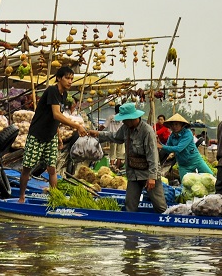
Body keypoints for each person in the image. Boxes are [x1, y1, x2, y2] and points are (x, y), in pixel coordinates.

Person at [18, 66, 88, 203]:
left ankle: (54, 198)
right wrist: (77, 126)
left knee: (52, 168)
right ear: (58, 78)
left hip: (50, 136)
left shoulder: (64, 95)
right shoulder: (52, 91)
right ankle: (21, 197)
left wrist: (58, 136)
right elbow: (56, 114)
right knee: (27, 168)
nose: (70, 81)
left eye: (72, 79)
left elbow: (54, 117)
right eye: (67, 78)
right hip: (37, 135)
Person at [88, 103, 167, 213]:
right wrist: (97, 134)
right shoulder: (125, 128)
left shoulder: (147, 131)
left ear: (132, 118)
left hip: (148, 173)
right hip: (133, 173)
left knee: (160, 206)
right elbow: (115, 136)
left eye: (124, 119)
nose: (123, 122)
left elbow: (153, 156)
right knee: (130, 205)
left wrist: (152, 177)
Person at [158, 113, 213, 182]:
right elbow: (168, 148)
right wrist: (159, 145)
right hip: (183, 165)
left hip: (195, 161)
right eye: (172, 124)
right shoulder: (172, 136)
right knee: (185, 185)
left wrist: (162, 146)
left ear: (182, 125)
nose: (174, 126)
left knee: (211, 178)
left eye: (176, 124)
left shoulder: (188, 133)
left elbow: (179, 149)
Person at [101, 104, 124, 169]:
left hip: (112, 138)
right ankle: (117, 168)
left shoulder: (111, 117)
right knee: (120, 155)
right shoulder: (123, 118)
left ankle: (111, 167)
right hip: (121, 138)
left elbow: (104, 126)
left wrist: (97, 131)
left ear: (115, 110)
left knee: (112, 154)